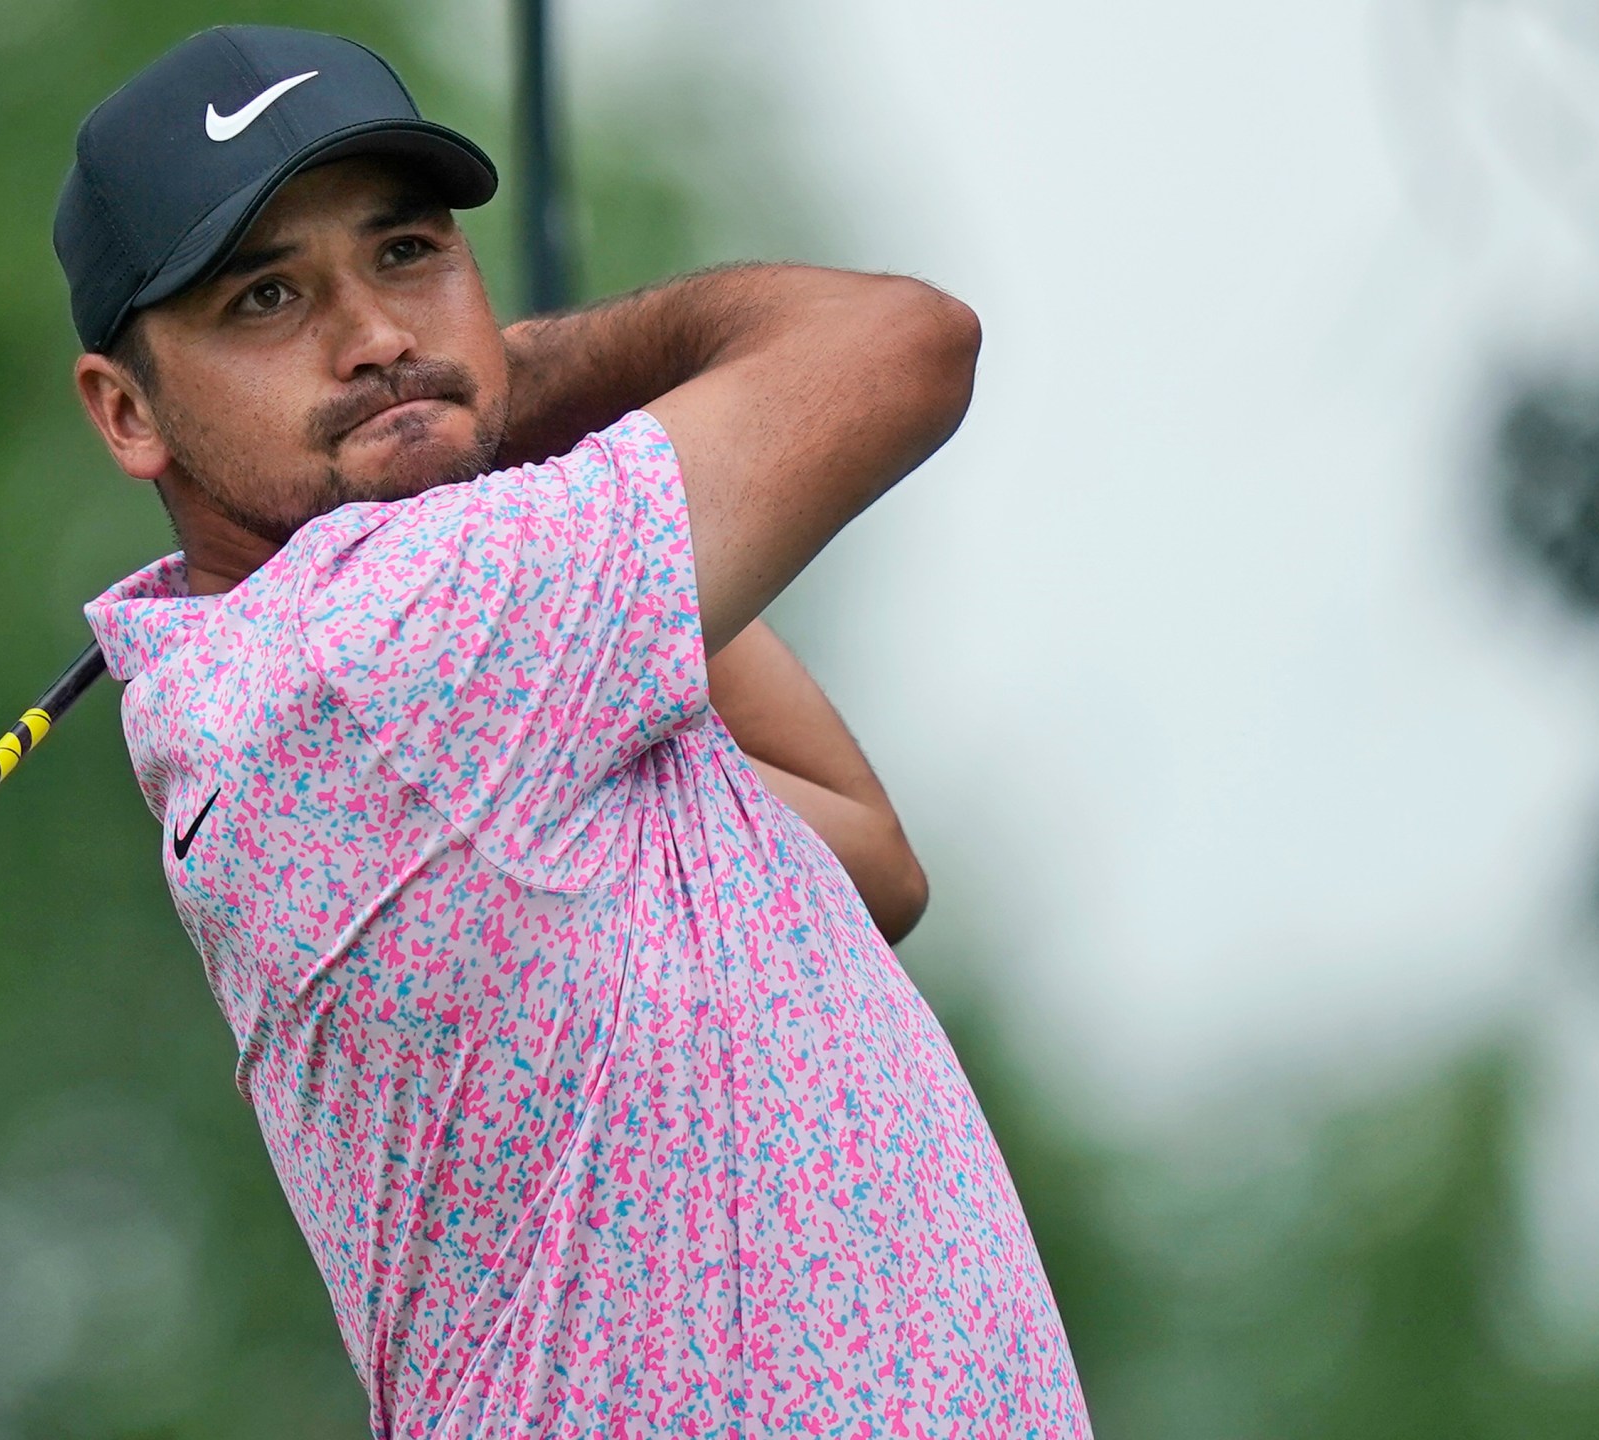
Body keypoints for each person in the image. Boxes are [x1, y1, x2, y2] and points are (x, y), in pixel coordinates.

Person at [56, 24, 1087, 1438]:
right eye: (268, 297)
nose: (375, 339)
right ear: (127, 412)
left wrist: (499, 441)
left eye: (409, 253)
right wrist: (539, 377)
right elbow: (905, 344)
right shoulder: (380, 645)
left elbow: (864, 860)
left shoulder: (452, 678)